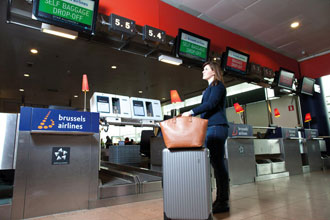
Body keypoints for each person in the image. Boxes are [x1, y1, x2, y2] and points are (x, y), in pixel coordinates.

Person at [182, 61, 229, 213]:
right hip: (211, 128)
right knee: (216, 164)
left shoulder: (218, 86)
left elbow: (211, 104)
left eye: (206, 69)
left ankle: (223, 201)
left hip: (216, 127)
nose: (203, 71)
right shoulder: (209, 88)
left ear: (214, 72)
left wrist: (191, 112)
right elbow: (207, 108)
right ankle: (220, 200)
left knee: (218, 165)